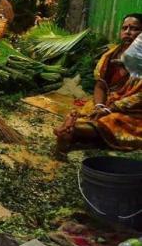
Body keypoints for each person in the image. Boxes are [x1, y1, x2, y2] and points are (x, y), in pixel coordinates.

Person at [55, 14, 142, 153]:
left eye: (134, 29)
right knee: (90, 111)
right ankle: (73, 129)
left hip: (134, 110)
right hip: (108, 102)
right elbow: (100, 85)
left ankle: (74, 130)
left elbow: (139, 97)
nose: (128, 32)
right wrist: (100, 105)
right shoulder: (110, 55)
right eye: (124, 28)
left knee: (114, 120)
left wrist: (111, 108)